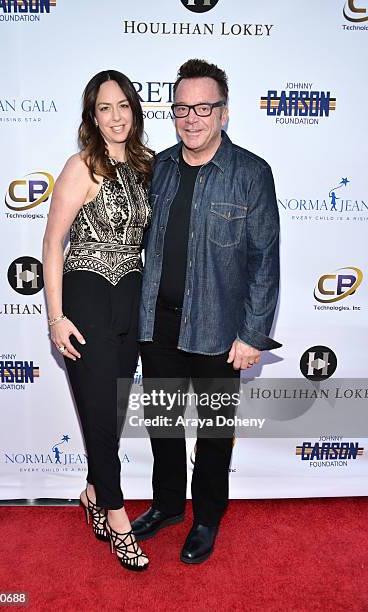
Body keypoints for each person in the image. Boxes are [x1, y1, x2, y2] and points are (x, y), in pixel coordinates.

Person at [133, 59, 281, 564]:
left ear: (223, 113)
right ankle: (169, 506)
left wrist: (253, 335)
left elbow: (265, 262)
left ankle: (206, 518)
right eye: (181, 107)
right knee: (164, 427)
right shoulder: (160, 167)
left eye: (203, 107)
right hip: (158, 327)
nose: (191, 117)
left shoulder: (251, 173)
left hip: (221, 332)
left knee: (215, 436)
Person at [42, 70, 153, 571]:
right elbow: (51, 244)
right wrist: (56, 318)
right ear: (92, 116)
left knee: (112, 411)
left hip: (130, 299)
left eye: (123, 105)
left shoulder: (147, 165)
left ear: (135, 109)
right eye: (104, 108)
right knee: (101, 417)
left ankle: (91, 489)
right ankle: (117, 516)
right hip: (86, 298)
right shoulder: (80, 167)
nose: (116, 116)